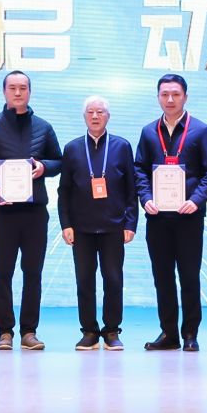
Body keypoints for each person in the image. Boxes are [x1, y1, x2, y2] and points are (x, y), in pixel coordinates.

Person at [0, 70, 63, 351]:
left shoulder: (43, 127)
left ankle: (29, 331)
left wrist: (43, 167)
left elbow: (59, 161)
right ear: (4, 92)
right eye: (12, 88)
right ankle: (4, 332)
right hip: (4, 211)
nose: (18, 92)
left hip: (35, 212)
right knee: (3, 273)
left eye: (23, 87)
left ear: (30, 92)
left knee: (33, 273)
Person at [133, 73, 207, 351]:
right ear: (158, 97)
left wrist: (196, 200)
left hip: (188, 217)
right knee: (162, 277)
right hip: (157, 217)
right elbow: (139, 170)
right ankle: (168, 333)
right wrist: (145, 198)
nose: (170, 99)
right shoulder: (149, 132)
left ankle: (190, 333)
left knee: (189, 276)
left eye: (175, 94)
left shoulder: (201, 130)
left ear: (185, 96)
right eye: (164, 94)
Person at [59, 95, 139, 350]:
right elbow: (64, 190)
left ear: (108, 116)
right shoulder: (72, 148)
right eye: (90, 112)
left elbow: (131, 188)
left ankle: (112, 330)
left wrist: (130, 223)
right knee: (84, 280)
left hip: (113, 226)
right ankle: (89, 331)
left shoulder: (122, 146)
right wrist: (66, 224)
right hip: (81, 228)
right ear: (84, 117)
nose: (95, 116)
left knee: (113, 279)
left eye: (100, 112)